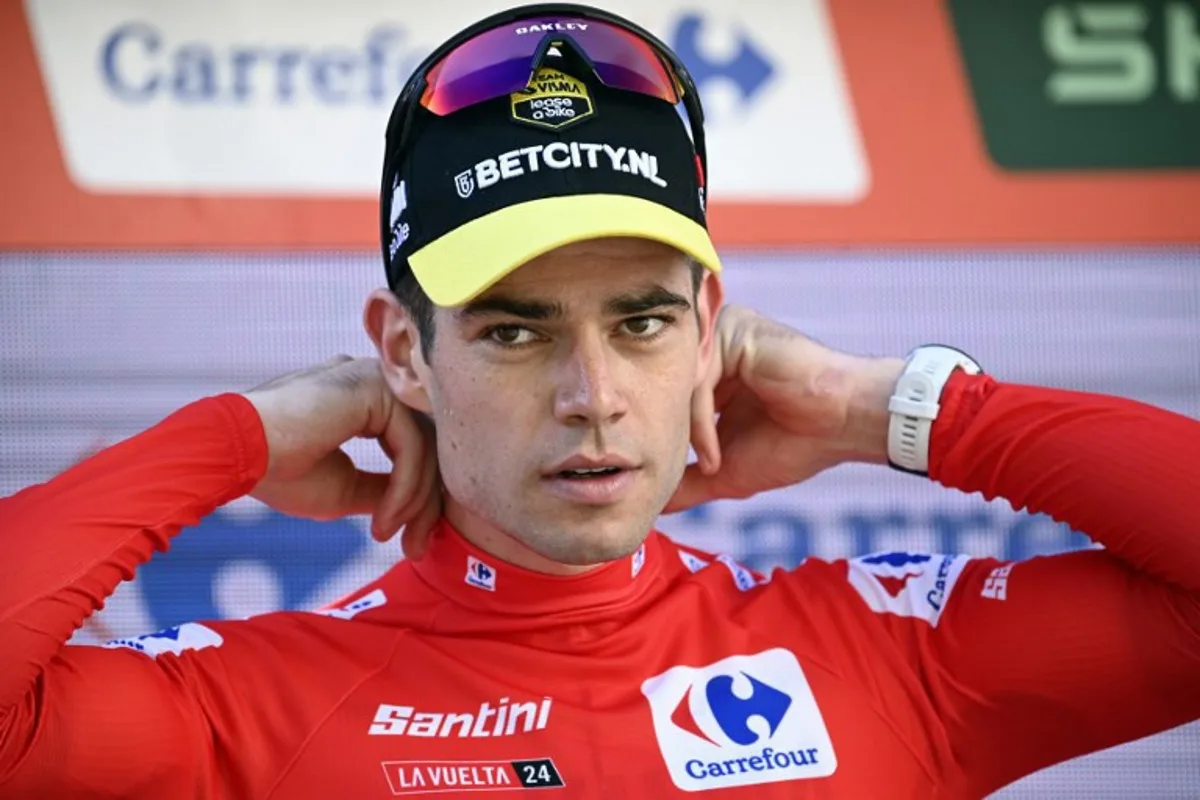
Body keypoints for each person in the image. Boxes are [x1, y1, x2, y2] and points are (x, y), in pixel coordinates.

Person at [1, 3, 1198, 798]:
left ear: (710, 327)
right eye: (514, 330)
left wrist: (880, 402)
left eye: (641, 322)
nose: (593, 397)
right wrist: (243, 431)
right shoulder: (251, 705)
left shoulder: (892, 653)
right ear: (403, 354)